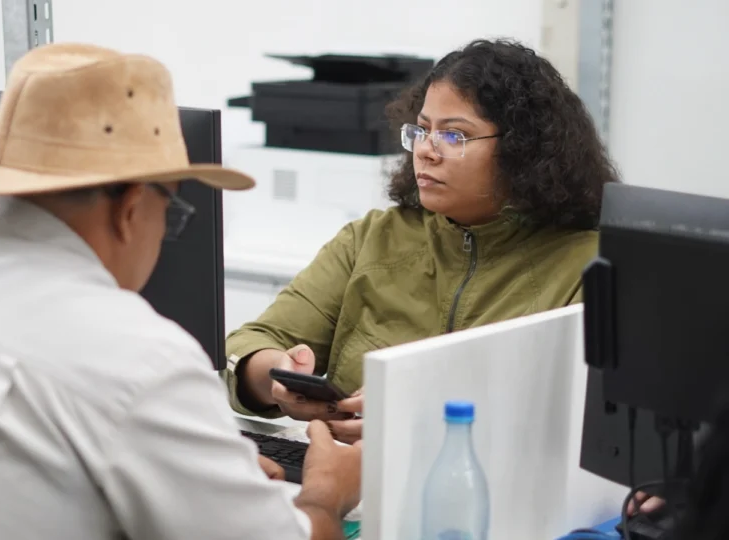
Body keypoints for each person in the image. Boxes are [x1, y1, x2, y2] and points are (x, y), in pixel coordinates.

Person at [0, 43, 361, 540]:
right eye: (173, 215)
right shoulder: (133, 353)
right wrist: (327, 494)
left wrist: (204, 481)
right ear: (132, 210)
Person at [224, 38, 620, 444]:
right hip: (349, 483)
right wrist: (275, 374)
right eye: (422, 130)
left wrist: (413, 420)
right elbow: (248, 345)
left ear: (524, 151)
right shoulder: (372, 239)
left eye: (454, 136)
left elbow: (574, 423)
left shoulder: (589, 267)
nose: (426, 151)